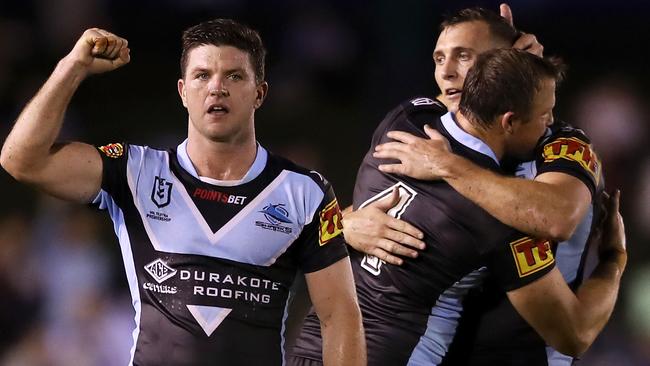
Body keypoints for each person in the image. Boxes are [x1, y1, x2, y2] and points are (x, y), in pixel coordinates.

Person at [0, 19, 366, 365]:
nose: (216, 87)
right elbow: (21, 160)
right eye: (202, 75)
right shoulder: (135, 171)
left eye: (234, 76)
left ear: (259, 93)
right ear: (182, 91)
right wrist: (71, 67)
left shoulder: (305, 192)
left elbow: (340, 315)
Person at [290, 46, 626, 365]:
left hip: (312, 348)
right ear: (509, 121)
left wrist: (343, 223)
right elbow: (574, 332)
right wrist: (612, 261)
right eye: (544, 116)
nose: (549, 125)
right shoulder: (500, 213)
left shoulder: (405, 118)